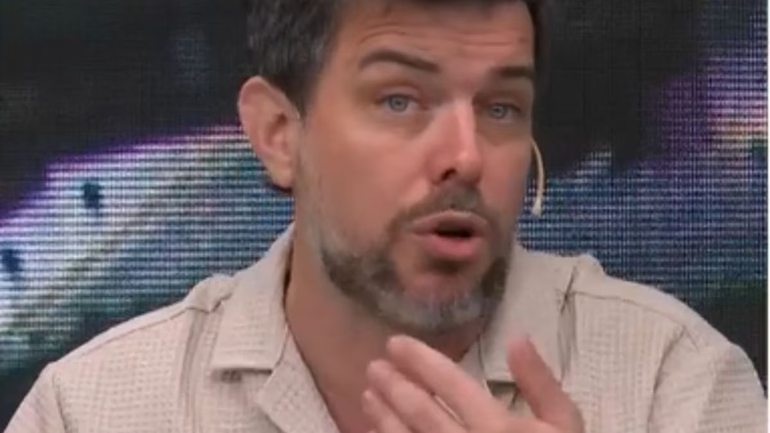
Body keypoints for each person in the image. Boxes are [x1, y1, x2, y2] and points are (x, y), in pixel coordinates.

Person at [6, 0, 766, 432]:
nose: (466, 155)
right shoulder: (92, 409)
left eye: (502, 106)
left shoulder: (673, 384)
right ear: (279, 133)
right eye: (400, 99)